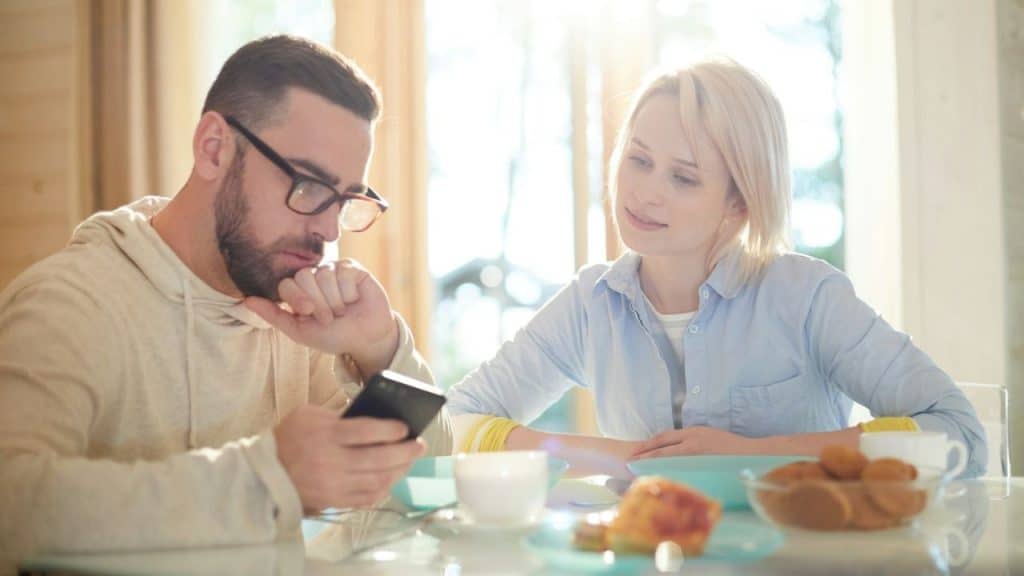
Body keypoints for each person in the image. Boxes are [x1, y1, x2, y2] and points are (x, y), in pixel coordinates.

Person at [0, 35, 451, 572]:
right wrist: (268, 479)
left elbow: (428, 482)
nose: (329, 228)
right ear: (214, 147)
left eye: (347, 198)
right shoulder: (69, 305)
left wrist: (383, 350)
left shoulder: (292, 314)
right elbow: (13, 506)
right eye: (308, 185)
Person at [446, 58, 985, 478]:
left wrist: (754, 455)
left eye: (683, 178)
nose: (645, 192)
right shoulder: (590, 303)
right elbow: (454, 422)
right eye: (638, 160)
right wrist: (621, 456)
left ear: (740, 203)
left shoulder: (807, 296)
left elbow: (959, 435)